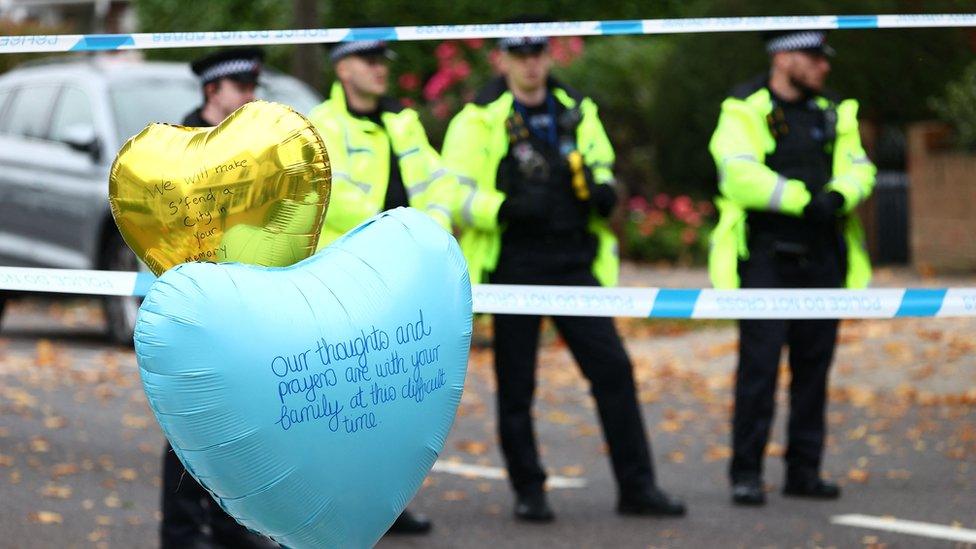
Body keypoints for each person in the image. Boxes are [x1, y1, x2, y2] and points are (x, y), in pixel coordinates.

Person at [441, 22, 686, 522]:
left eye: (539, 52)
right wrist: (503, 208)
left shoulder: (577, 109)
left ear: (549, 57)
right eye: (521, 53)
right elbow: (451, 194)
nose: (531, 62)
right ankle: (529, 490)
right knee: (517, 385)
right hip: (514, 264)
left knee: (613, 370)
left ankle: (637, 487)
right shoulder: (477, 119)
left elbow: (602, 167)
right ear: (503, 59)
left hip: (574, 262)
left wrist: (602, 190)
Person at [707, 30, 876, 506]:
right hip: (766, 259)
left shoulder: (833, 111)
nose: (824, 66)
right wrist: (805, 201)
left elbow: (860, 167)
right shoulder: (744, 107)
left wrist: (841, 196)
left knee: (814, 368)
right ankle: (746, 473)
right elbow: (738, 175)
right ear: (782, 57)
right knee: (758, 369)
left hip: (824, 257)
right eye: (813, 56)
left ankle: (804, 470)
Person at [307, 37, 454, 534]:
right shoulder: (320, 124)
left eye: (383, 62)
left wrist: (427, 232)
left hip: (399, 279)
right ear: (343, 67)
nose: (380, 70)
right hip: (340, 280)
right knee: (340, 405)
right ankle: (327, 507)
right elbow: (331, 196)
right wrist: (394, 226)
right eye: (370, 61)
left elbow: (438, 185)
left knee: (389, 402)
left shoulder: (402, 121)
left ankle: (386, 504)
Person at [160, 48, 279, 549]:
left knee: (237, 420)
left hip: (243, 300)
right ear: (213, 91)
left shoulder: (254, 148)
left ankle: (233, 529)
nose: (251, 98)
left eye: (254, 88)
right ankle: (184, 533)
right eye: (242, 88)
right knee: (188, 425)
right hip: (192, 304)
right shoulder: (175, 148)